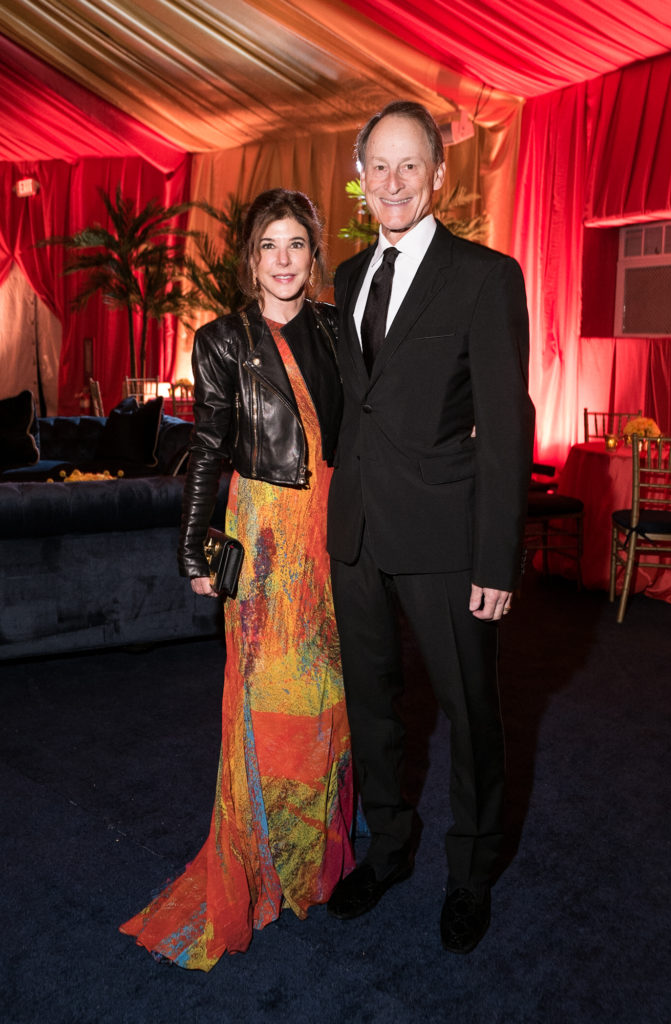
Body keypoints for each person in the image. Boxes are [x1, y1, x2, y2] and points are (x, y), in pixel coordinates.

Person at [120, 188, 354, 970]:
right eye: (269, 247)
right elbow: (210, 450)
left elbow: (358, 435)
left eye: (295, 246)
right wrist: (195, 549)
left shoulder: (333, 326)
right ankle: (255, 854)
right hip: (261, 536)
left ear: (311, 255)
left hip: (329, 531)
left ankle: (308, 858)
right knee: (263, 699)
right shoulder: (222, 339)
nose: (283, 261)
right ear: (249, 258)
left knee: (325, 696)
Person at [325, 101, 535, 954]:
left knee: (470, 712)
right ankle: (391, 848)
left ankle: (471, 872)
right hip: (359, 535)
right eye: (379, 166)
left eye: (410, 165)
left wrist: (497, 557)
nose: (393, 182)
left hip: (450, 541)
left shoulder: (485, 277)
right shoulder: (344, 278)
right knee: (373, 709)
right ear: (360, 176)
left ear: (439, 175)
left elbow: (507, 428)